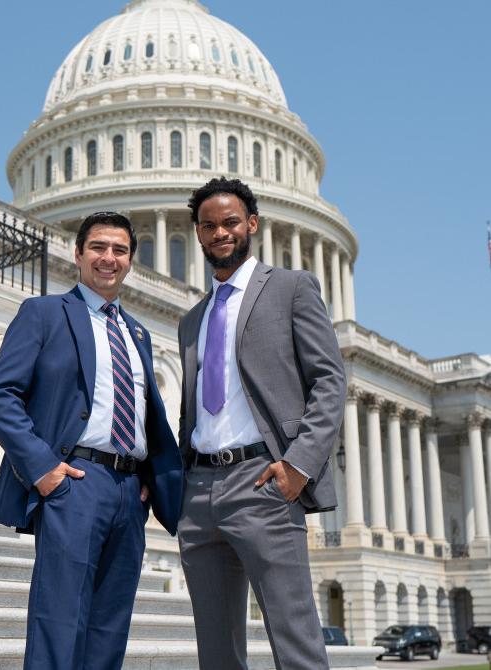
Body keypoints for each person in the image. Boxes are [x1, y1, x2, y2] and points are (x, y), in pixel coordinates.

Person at [0, 211, 183, 670]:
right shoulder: (44, 313)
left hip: (130, 495)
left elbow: (147, 415)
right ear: (77, 253)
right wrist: (44, 470)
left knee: (110, 628)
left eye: (120, 250)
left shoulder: (138, 334)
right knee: (59, 621)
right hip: (75, 481)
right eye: (98, 247)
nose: (108, 258)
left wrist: (147, 477)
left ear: (131, 260)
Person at [177, 177, 346, 670]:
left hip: (264, 482)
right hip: (200, 490)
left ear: (251, 224)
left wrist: (297, 466)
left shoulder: (291, 288)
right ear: (198, 234)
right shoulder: (194, 318)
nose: (220, 233)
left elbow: (329, 382)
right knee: (217, 652)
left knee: (295, 643)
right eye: (209, 226)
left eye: (230, 222)